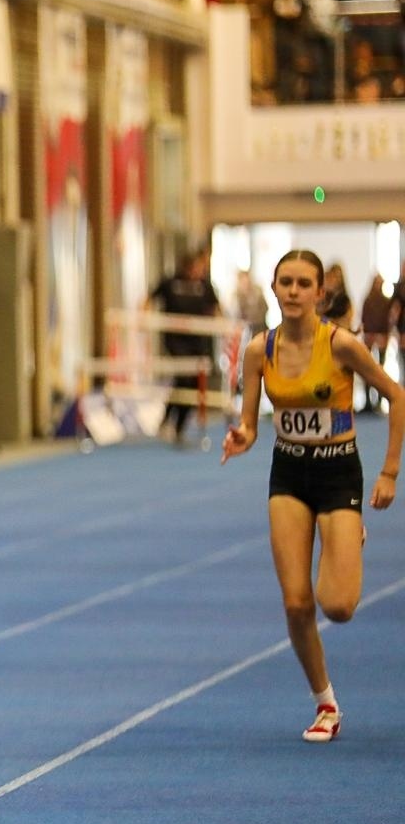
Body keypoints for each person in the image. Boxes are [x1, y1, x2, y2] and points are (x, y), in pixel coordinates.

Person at [222, 249, 405, 743]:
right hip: (289, 474)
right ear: (276, 288)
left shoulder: (341, 344)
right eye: (287, 282)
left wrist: (389, 472)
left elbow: (396, 394)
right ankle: (325, 703)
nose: (295, 291)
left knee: (338, 605)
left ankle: (347, 533)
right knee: (297, 604)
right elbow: (250, 419)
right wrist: (242, 435)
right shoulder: (261, 349)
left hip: (338, 472)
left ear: (320, 293)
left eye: (305, 283)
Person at [148, 247, 221, 447]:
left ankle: (176, 424)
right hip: (176, 342)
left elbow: (216, 308)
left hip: (198, 342)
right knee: (184, 378)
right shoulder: (170, 283)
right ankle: (169, 422)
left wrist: (219, 325)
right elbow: (149, 299)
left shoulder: (205, 286)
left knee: (193, 384)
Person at [359, 273, 393, 411]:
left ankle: (379, 399)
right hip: (369, 338)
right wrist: (369, 335)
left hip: (382, 338)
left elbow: (388, 320)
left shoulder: (386, 301)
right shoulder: (368, 300)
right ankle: (368, 400)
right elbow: (364, 318)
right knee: (367, 369)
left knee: (380, 371)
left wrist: (384, 336)